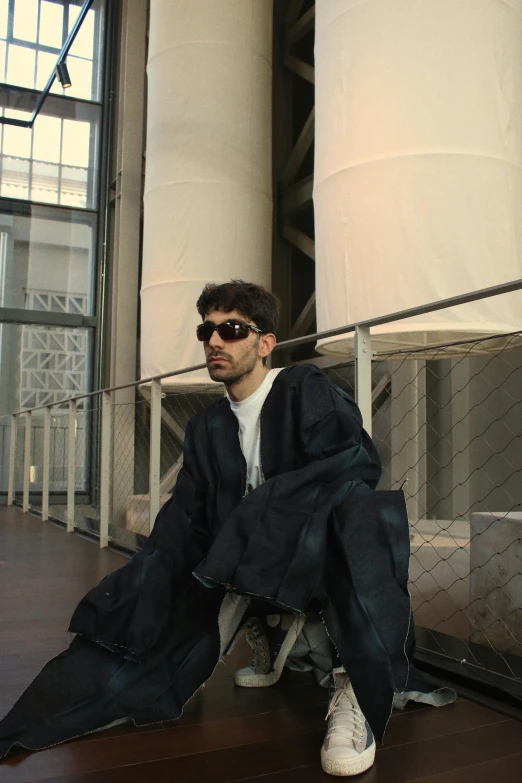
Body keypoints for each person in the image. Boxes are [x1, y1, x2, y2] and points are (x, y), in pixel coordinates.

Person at [0, 280, 454, 775]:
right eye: (207, 330)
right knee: (149, 596)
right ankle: (266, 636)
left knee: (361, 511)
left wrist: (262, 510)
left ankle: (359, 687)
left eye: (232, 329)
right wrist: (143, 579)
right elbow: (185, 519)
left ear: (264, 344)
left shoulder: (304, 388)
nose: (215, 342)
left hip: (315, 555)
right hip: (241, 567)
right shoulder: (207, 426)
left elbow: (351, 462)